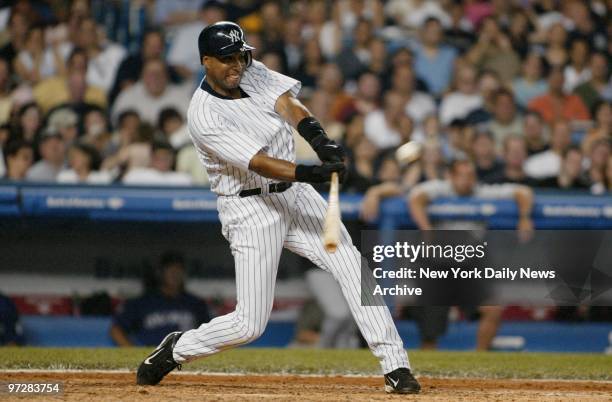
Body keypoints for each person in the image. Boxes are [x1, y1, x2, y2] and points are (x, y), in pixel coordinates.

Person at [136, 21, 420, 395]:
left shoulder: (250, 70)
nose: (237, 64)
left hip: (293, 194)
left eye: (240, 55)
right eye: (226, 59)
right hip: (250, 208)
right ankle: (178, 348)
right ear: (205, 61)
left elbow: (287, 103)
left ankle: (396, 365)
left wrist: (319, 139)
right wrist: (313, 173)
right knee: (249, 325)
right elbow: (257, 162)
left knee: (353, 265)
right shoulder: (203, 115)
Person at [408, 158, 534, 350]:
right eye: (462, 175)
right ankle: (427, 376)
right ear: (450, 175)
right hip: (437, 266)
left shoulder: (482, 192)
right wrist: (427, 229)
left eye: (471, 175)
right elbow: (416, 198)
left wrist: (525, 217)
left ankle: (478, 361)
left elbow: (523, 192)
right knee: (430, 332)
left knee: (492, 311)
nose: (467, 180)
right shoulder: (440, 189)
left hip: (469, 265)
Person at [110, 252, 211, 347]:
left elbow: (211, 333)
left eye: (179, 269)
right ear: (160, 273)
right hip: (152, 358)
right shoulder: (143, 302)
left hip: (187, 358)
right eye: (170, 270)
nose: (175, 274)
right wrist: (134, 354)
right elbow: (116, 330)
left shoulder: (195, 303)